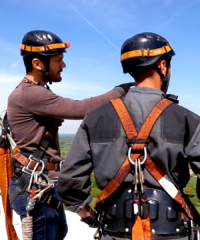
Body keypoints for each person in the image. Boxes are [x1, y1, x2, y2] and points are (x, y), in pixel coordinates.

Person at [58, 32, 200, 240]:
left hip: (114, 232)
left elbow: (69, 180)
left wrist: (89, 217)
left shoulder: (95, 118)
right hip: (173, 233)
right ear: (162, 65)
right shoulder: (187, 119)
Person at [6, 30, 133, 240]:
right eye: (58, 60)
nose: (63, 66)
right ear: (38, 64)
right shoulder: (30, 94)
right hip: (36, 190)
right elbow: (82, 108)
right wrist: (121, 90)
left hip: (42, 186)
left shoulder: (34, 91)